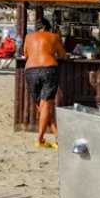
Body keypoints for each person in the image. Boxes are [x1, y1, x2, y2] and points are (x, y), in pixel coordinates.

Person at [22, 12, 68, 149]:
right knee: (46, 106)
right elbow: (62, 55)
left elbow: (25, 54)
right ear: (48, 27)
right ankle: (40, 139)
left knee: (43, 108)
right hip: (49, 69)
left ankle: (57, 136)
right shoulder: (54, 36)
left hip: (30, 71)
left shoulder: (28, 37)